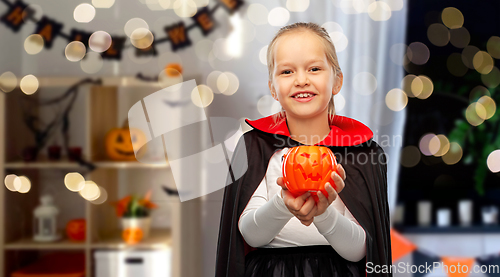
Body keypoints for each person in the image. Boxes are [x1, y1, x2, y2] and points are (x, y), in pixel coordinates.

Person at [216, 22, 392, 277]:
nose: (301, 80)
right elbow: (249, 235)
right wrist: (283, 204)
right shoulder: (255, 147)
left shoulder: (363, 154)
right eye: (287, 72)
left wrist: (323, 214)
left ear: (336, 82)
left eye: (314, 68)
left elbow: (359, 251)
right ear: (273, 89)